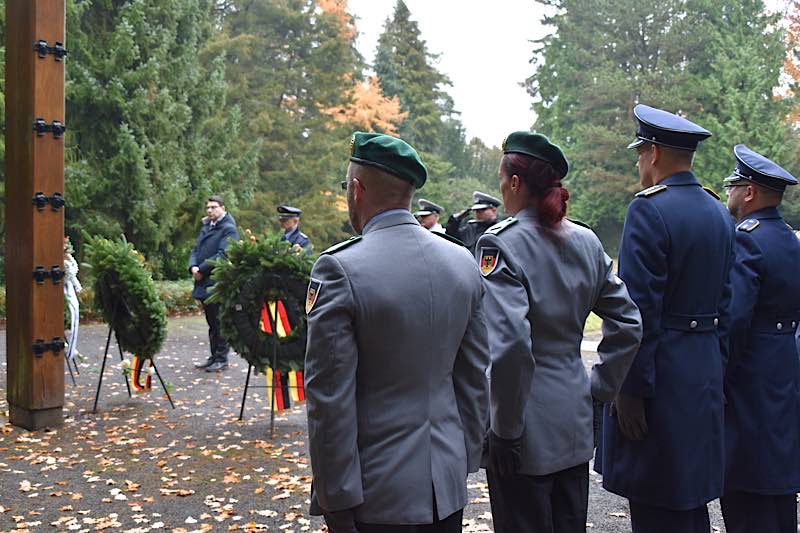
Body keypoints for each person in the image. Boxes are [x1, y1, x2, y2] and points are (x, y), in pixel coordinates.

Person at [304, 132, 490, 533]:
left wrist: (334, 498)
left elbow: (329, 398)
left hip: (375, 495)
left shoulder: (339, 269)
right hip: (446, 486)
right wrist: (462, 459)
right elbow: (475, 377)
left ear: (356, 190)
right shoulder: (462, 263)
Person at [477, 131, 642, 533]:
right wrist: (599, 390)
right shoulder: (586, 241)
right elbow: (629, 323)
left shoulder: (501, 245)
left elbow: (512, 347)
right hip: (572, 417)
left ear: (515, 183)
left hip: (523, 429)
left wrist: (504, 429)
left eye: (502, 181)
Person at [596, 104, 735, 532]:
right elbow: (726, 306)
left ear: (654, 154)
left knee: (656, 505)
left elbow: (638, 312)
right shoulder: (718, 212)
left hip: (661, 377)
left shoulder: (648, 210)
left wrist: (630, 390)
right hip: (703, 371)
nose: (639, 162)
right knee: (689, 501)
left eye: (640, 153)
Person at [720, 144, 800, 533]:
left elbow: (735, 318)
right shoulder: (787, 238)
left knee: (745, 482)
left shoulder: (747, 238)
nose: (729, 194)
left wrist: (720, 372)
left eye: (733, 186)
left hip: (751, 368)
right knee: (779, 476)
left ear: (748, 192)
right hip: (784, 358)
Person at [189, 195, 240, 372]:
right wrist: (193, 267)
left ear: (222, 208)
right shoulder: (207, 227)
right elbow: (196, 250)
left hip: (217, 283)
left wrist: (201, 270)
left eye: (213, 207)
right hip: (203, 281)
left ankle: (221, 358)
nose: (210, 210)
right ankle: (213, 356)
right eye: (208, 207)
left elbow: (223, 255)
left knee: (219, 322)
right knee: (212, 323)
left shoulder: (228, 229)